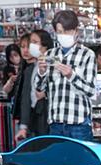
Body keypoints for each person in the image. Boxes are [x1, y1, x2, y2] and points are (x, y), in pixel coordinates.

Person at [34, 9, 96, 140]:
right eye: (60, 32)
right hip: (56, 122)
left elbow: (91, 91)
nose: (64, 35)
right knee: (57, 154)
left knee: (81, 154)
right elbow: (39, 89)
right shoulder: (50, 55)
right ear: (55, 32)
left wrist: (71, 75)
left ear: (76, 31)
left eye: (68, 31)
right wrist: (41, 72)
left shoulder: (87, 55)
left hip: (79, 124)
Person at [12, 29, 50, 142]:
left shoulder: (54, 64)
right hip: (35, 117)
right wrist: (23, 125)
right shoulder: (28, 69)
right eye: (22, 47)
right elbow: (26, 98)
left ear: (45, 45)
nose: (26, 50)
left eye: (33, 43)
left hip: (48, 118)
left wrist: (46, 93)